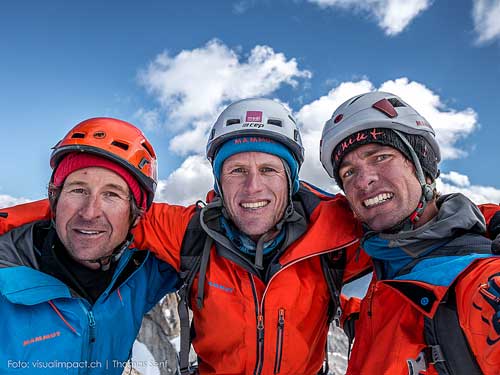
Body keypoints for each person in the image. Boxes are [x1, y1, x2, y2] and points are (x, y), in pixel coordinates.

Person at [0, 99, 373, 375]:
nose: (252, 187)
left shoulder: (338, 233)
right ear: (218, 182)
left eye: (269, 170)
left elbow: (407, 243)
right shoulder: (189, 233)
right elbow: (113, 215)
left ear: (291, 181)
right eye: (237, 169)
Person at [320, 91, 500, 375]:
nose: (364, 180)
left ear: (424, 169)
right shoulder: (383, 285)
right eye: (349, 173)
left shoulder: (483, 284)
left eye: (380, 156)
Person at [0, 118, 179, 374]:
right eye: (78, 190)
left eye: (112, 194)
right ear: (54, 199)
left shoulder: (143, 271)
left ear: (136, 215)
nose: (90, 212)